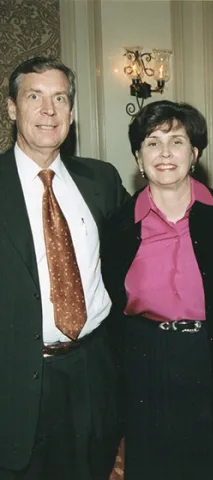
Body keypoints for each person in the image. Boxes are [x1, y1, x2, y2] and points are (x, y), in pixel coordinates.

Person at [101, 100, 213, 480]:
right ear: (138, 158)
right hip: (145, 363)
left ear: (195, 153)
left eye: (177, 141)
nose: (165, 153)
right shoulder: (118, 225)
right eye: (152, 143)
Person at [0, 57, 128, 480]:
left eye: (60, 98)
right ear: (12, 108)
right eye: (34, 97)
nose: (48, 110)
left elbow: (152, 234)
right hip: (18, 381)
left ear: (72, 113)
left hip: (93, 371)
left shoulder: (101, 180)